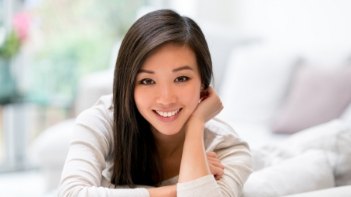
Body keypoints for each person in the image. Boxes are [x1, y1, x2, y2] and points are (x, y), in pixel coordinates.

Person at [58, 9, 252, 197]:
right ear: (127, 85)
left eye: (181, 78)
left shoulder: (227, 148)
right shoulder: (102, 120)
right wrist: (177, 189)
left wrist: (196, 124)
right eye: (147, 81)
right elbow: (71, 194)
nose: (166, 99)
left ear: (203, 81)